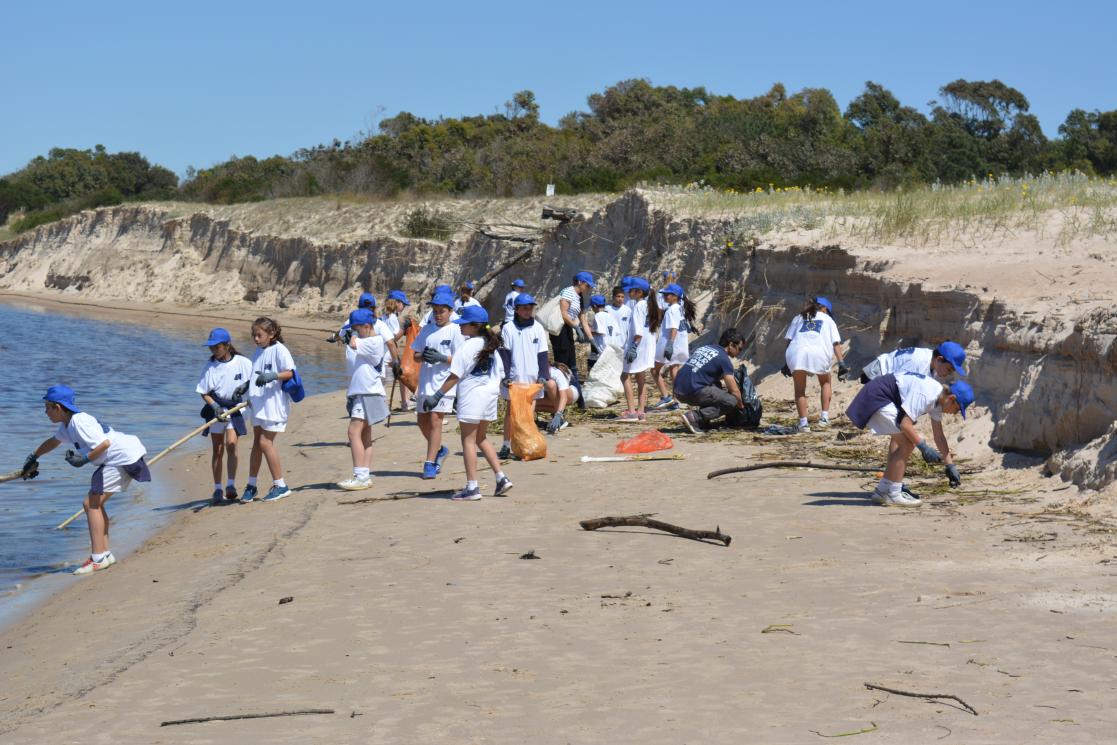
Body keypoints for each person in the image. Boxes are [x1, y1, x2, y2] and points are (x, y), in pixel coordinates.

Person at [22, 385, 150, 574]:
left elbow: (104, 444)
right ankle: (105, 554)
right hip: (119, 457)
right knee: (94, 503)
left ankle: (98, 557)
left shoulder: (78, 422)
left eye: (48, 407)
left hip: (120, 457)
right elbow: (53, 442)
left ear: (58, 407)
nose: (45, 411)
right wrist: (34, 456)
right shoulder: (68, 424)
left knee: (91, 504)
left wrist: (83, 459)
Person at [421, 305, 513, 500]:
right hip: (490, 396)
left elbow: (455, 375)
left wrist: (437, 396)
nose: (460, 327)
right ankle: (501, 477)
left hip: (473, 396)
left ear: (474, 326)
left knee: (468, 440)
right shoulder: (491, 346)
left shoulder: (469, 345)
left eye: (464, 324)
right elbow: (500, 374)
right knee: (481, 438)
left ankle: (472, 487)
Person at [846, 372, 975, 506]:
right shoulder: (928, 395)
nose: (955, 413)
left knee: (904, 443)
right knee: (907, 444)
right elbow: (905, 424)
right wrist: (923, 447)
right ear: (951, 398)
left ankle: (883, 491)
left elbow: (939, 435)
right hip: (877, 397)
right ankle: (894, 493)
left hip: (881, 397)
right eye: (957, 409)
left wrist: (950, 465)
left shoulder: (938, 400)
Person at [195, 327, 253, 504]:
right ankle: (218, 488)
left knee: (232, 444)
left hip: (236, 409)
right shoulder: (210, 366)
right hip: (217, 410)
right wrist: (215, 406)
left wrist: (245, 390)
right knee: (218, 449)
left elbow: (254, 381)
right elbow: (203, 392)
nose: (214, 350)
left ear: (227, 345)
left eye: (217, 347)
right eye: (211, 347)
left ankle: (230, 485)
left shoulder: (243, 362)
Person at [412, 288, 464, 479]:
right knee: (422, 421)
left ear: (450, 311)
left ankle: (429, 463)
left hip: (444, 385)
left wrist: (442, 357)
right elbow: (415, 355)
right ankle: (440, 450)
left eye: (441, 311)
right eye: (435, 311)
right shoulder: (427, 329)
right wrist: (423, 355)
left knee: (435, 420)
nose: (438, 314)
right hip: (425, 383)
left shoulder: (456, 330)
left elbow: (461, 361)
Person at [244, 317, 297, 502]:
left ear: (271, 333)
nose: (256, 339)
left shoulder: (280, 350)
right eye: (254, 335)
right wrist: (244, 388)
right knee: (257, 444)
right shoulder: (257, 352)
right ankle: (251, 486)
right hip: (259, 404)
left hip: (274, 405)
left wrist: (273, 375)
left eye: (259, 335)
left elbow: (291, 372)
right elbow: (254, 376)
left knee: (266, 443)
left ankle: (281, 485)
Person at [337, 308, 389, 491]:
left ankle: (360, 476)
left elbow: (352, 344)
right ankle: (364, 475)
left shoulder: (373, 341)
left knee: (353, 432)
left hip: (367, 393)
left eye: (358, 328)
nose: (356, 332)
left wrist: (350, 334)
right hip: (366, 392)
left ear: (367, 326)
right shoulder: (369, 340)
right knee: (365, 435)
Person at [781, 296, 847, 433]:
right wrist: (841, 363)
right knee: (825, 382)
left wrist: (787, 362)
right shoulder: (828, 320)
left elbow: (788, 341)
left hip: (796, 352)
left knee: (799, 390)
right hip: (819, 353)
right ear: (825, 309)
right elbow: (835, 343)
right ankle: (824, 418)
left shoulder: (798, 317)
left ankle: (804, 425)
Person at [497, 294, 550, 459]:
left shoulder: (538, 328)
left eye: (531, 308)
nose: (528, 311)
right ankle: (506, 444)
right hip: (514, 378)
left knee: (527, 414)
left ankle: (524, 444)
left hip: (533, 378)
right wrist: (504, 376)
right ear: (517, 310)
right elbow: (504, 354)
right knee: (510, 412)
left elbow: (543, 354)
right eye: (525, 308)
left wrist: (543, 375)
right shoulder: (508, 328)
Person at [675, 329, 756, 433]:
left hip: (678, 389)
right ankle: (695, 417)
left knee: (716, 385)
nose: (739, 352)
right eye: (739, 348)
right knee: (731, 401)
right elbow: (734, 390)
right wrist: (741, 407)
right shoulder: (724, 359)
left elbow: (703, 371)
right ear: (731, 345)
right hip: (692, 391)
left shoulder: (705, 348)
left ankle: (703, 421)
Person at [618, 277, 660, 422]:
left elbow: (638, 331)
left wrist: (633, 347)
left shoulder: (638, 306)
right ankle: (641, 411)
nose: (628, 293)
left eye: (630, 290)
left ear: (638, 292)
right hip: (648, 346)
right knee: (641, 377)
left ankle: (631, 411)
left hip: (638, 345)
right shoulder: (649, 304)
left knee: (625, 376)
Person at [651, 283, 696, 411]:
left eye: (666, 294)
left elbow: (673, 328)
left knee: (654, 370)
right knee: (674, 370)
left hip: (669, 344)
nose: (664, 297)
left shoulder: (671, 309)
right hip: (680, 345)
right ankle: (677, 400)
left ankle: (666, 397)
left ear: (674, 296)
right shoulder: (681, 308)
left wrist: (669, 344)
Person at [551, 271, 595, 387]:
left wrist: (591, 339)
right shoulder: (568, 291)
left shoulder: (579, 297)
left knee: (572, 358)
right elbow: (564, 313)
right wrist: (576, 327)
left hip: (568, 328)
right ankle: (561, 386)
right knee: (563, 358)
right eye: (587, 285)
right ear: (579, 282)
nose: (588, 288)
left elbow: (583, 319)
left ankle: (573, 386)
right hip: (560, 329)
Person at [860, 341, 967, 384]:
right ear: (939, 359)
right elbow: (898, 385)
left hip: (886, 375)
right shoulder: (918, 363)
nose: (949, 374)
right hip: (878, 372)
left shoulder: (933, 364)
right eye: (949, 369)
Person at [384, 290, 413, 411]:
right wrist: (405, 327)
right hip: (389, 350)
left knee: (399, 374)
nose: (404, 307)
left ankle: (404, 403)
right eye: (403, 304)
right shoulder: (393, 318)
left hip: (385, 350)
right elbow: (395, 336)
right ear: (397, 303)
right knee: (400, 374)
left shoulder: (384, 316)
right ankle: (405, 403)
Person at [536, 360, 577, 433]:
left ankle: (560, 418)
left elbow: (563, 397)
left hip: (571, 391)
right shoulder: (531, 373)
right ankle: (557, 410)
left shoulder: (555, 372)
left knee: (550, 384)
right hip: (550, 395)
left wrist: (558, 415)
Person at [605, 284, 631, 352]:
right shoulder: (607, 309)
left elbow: (630, 329)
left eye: (622, 297)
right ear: (613, 297)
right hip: (610, 344)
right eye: (618, 296)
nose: (620, 299)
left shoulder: (628, 310)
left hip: (623, 344)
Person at [587, 294, 609, 371]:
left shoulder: (598, 316)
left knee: (592, 368)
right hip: (607, 345)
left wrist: (589, 331)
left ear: (595, 306)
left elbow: (600, 332)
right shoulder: (608, 315)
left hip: (600, 347)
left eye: (592, 307)